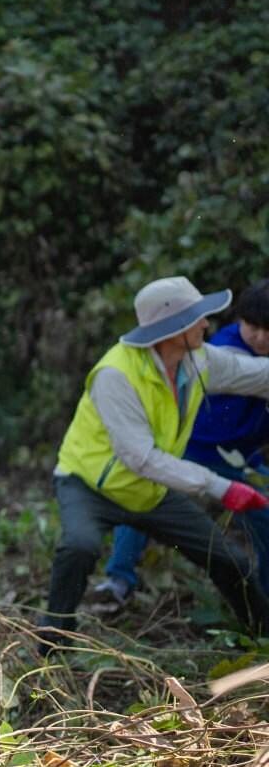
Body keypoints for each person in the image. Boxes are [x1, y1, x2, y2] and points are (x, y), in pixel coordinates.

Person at [42, 276, 269, 646]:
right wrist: (223, 488)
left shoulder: (198, 360)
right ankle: (51, 641)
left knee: (232, 562)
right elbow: (141, 458)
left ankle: (262, 639)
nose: (206, 325)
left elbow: (258, 376)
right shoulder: (116, 375)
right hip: (89, 485)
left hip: (147, 491)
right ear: (174, 328)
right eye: (197, 319)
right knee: (79, 546)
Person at [94, 279, 269, 605]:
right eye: (251, 325)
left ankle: (262, 602)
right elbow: (253, 375)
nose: (259, 337)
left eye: (267, 329)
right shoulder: (218, 349)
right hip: (192, 451)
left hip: (243, 462)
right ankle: (118, 580)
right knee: (145, 495)